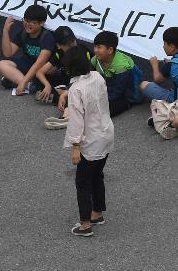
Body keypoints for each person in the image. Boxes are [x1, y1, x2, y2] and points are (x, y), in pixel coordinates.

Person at [61, 46, 113, 238]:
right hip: (105, 133)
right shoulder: (97, 76)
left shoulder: (76, 89)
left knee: (83, 182)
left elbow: (76, 121)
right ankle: (97, 213)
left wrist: (75, 147)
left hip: (90, 141)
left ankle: (85, 224)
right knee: (97, 175)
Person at [0, 4, 55, 94]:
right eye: (26, 20)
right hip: (27, 63)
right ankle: (30, 86)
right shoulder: (23, 33)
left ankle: (17, 82)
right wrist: (5, 31)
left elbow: (39, 63)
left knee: (48, 71)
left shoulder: (47, 37)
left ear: (42, 23)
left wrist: (22, 82)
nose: (27, 24)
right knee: (1, 64)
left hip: (40, 69)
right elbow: (7, 53)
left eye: (32, 22)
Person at [88, 31, 137, 117]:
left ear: (110, 50)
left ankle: (127, 105)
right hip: (108, 89)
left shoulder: (121, 66)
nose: (95, 50)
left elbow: (117, 92)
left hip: (124, 95)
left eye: (99, 47)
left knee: (102, 111)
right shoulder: (96, 59)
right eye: (95, 46)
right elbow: (86, 77)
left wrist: (97, 98)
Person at [140, 26, 178, 102]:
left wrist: (154, 64)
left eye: (165, 43)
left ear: (172, 47)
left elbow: (157, 80)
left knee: (143, 84)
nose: (163, 46)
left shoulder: (171, 65)